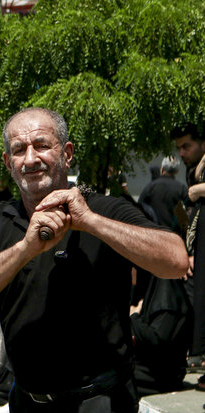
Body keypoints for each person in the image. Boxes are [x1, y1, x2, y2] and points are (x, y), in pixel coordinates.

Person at [0, 107, 188, 412]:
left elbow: (176, 260)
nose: (30, 159)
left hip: (102, 400)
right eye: (18, 150)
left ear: (66, 154)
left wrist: (90, 222)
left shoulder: (105, 209)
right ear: (7, 163)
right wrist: (26, 248)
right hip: (28, 400)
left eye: (41, 145)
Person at [171, 123, 205, 383]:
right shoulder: (193, 171)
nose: (182, 153)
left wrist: (199, 191)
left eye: (187, 146)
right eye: (178, 148)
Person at [130, 275, 192, 396]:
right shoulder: (148, 288)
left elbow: (158, 340)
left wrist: (133, 318)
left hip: (160, 376)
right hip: (147, 369)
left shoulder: (167, 292)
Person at [138, 156, 187, 234]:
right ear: (177, 171)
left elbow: (139, 207)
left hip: (154, 232)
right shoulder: (182, 188)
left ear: (162, 169)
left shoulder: (151, 187)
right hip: (174, 234)